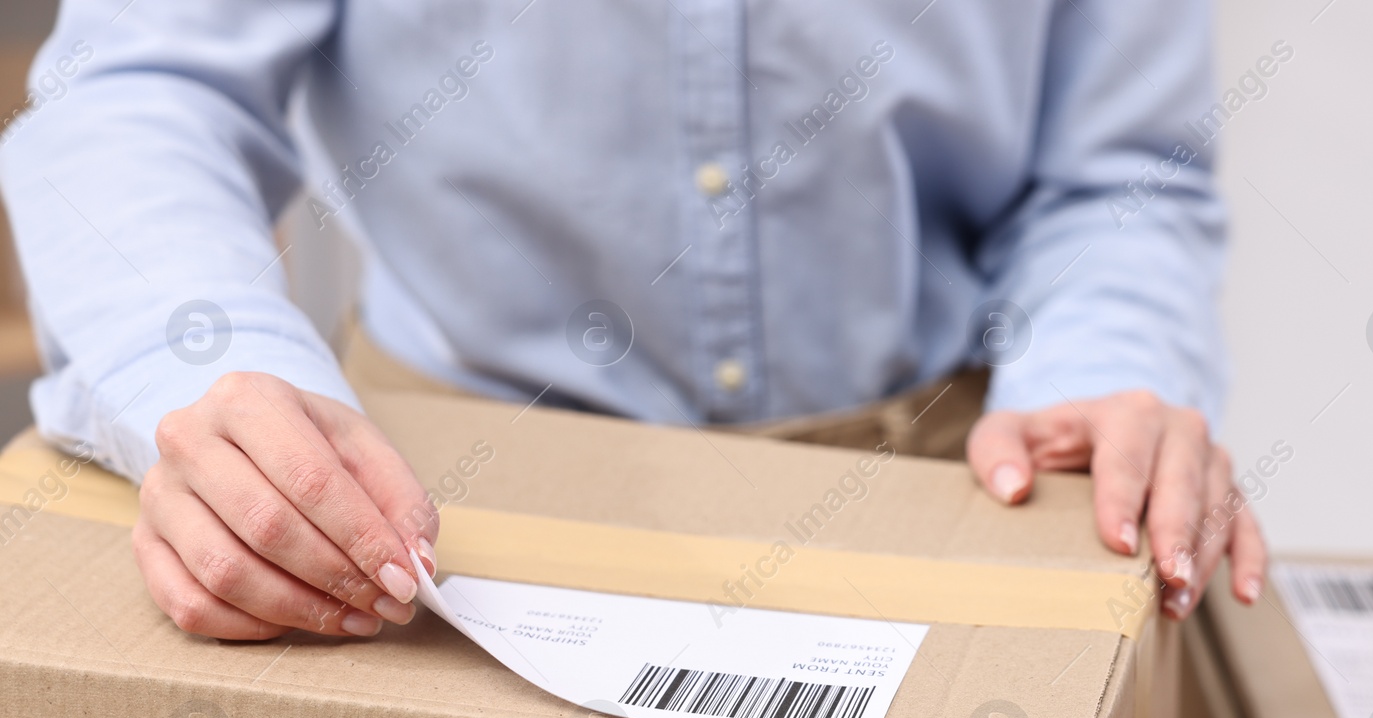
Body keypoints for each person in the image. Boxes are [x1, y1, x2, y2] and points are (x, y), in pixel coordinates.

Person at [0, 0, 1264, 640]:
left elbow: (1121, 177)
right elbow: (145, 85)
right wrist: (200, 365)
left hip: (953, 493)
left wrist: (1108, 366)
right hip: (443, 507)